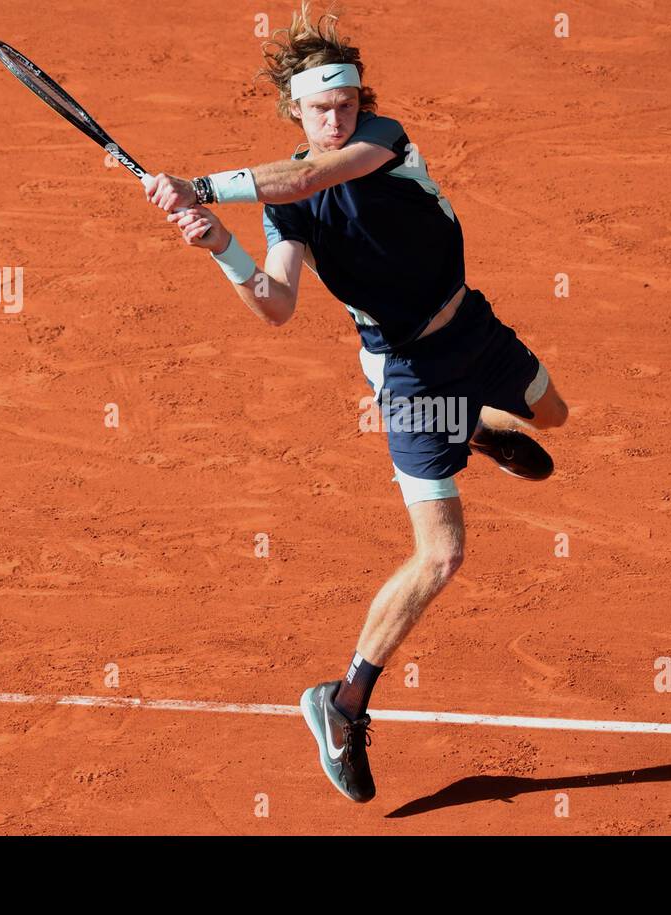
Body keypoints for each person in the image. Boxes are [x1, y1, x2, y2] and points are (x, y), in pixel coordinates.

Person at [144, 2, 568, 802]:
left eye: (345, 103)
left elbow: (307, 172)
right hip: (406, 375)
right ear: (293, 109)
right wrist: (220, 245)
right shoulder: (287, 205)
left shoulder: (386, 142)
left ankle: (473, 423)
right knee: (441, 555)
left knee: (553, 419)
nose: (335, 117)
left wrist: (197, 185)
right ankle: (342, 704)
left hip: (470, 327)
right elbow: (276, 304)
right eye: (319, 107)